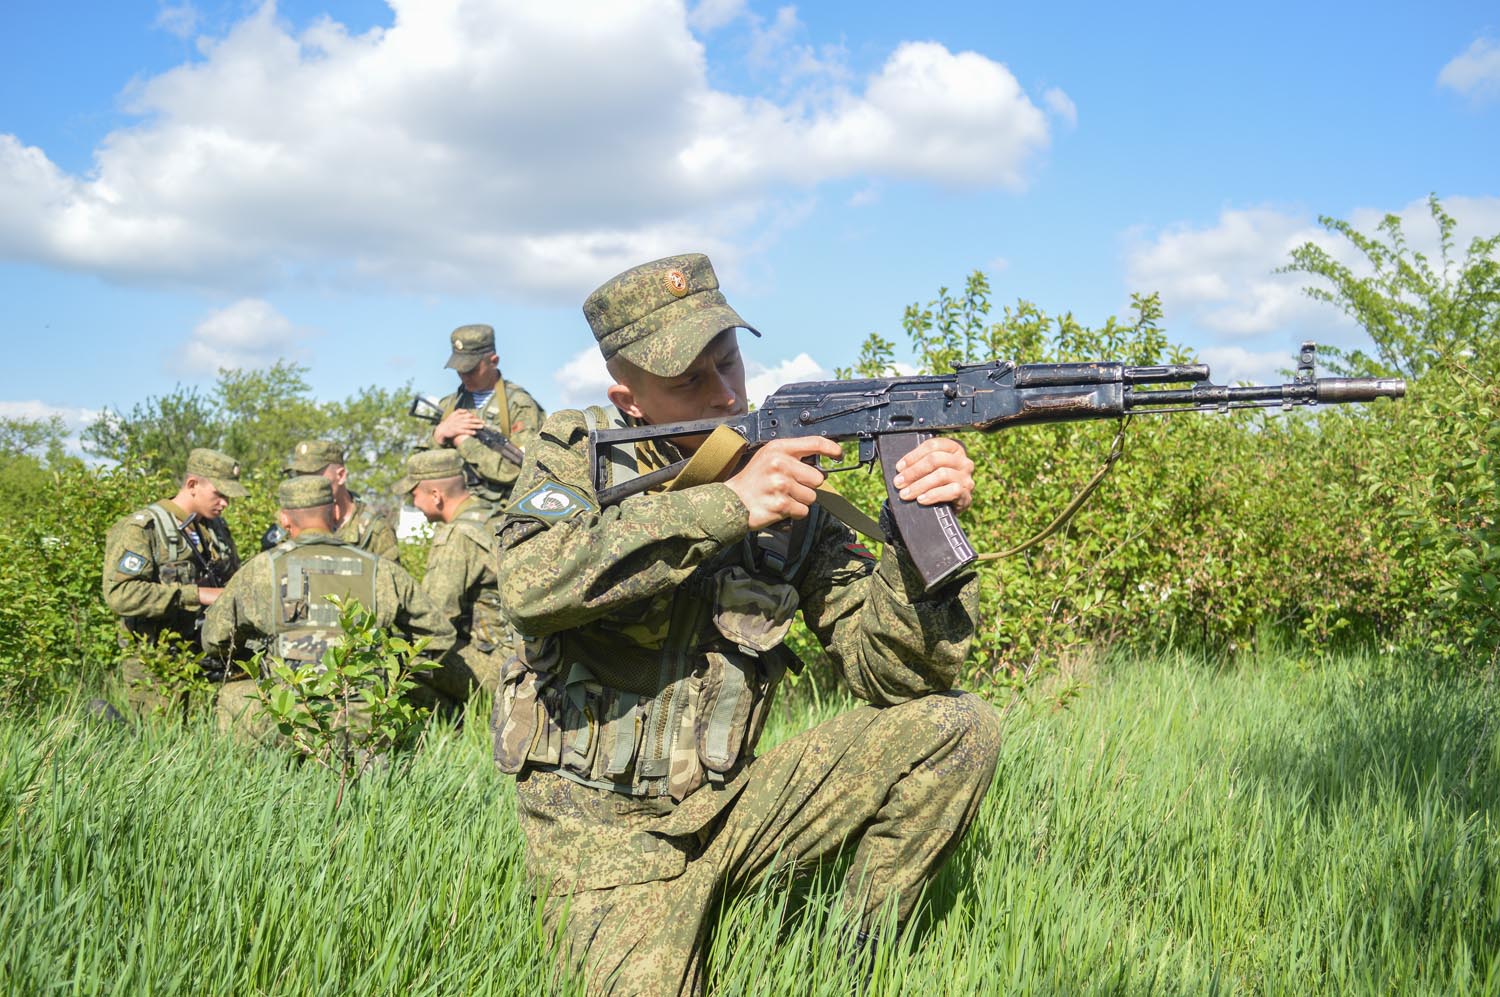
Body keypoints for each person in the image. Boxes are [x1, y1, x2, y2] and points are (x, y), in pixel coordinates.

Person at [491, 253, 1001, 994]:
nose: (727, 393)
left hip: (733, 810)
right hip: (602, 843)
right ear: (627, 398)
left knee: (959, 727)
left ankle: (853, 967)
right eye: (691, 379)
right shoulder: (577, 456)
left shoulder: (793, 496)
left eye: (729, 361)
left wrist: (918, 528)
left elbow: (896, 677)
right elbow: (531, 584)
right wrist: (726, 505)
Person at [202, 475, 455, 735]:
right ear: (335, 512)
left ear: (284, 519)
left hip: (288, 718)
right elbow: (439, 635)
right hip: (363, 722)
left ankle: (257, 771)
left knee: (232, 696)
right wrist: (390, 672)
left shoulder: (260, 569)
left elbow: (214, 639)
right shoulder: (381, 571)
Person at [102, 447, 245, 715]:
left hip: (207, 655)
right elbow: (120, 594)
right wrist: (197, 594)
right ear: (192, 485)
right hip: (157, 662)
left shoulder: (216, 530)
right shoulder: (143, 528)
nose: (225, 503)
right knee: (161, 742)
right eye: (219, 494)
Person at [395, 449, 505, 701]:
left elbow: (435, 621)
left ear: (436, 495)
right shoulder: (495, 516)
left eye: (414, 494)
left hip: (498, 668)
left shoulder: (457, 536)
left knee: (399, 660)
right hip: (527, 659)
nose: (413, 503)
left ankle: (452, 725)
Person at [428, 323, 545, 506]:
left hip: (501, 513)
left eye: (471, 369)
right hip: (455, 516)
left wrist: (463, 441)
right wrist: (439, 436)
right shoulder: (448, 406)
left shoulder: (519, 406)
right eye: (459, 368)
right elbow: (421, 473)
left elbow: (522, 471)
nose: (464, 375)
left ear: (494, 360)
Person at [283, 439, 400, 562]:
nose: (304, 486)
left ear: (341, 475)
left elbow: (390, 578)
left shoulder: (375, 531)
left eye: (315, 477)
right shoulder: (288, 522)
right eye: (299, 477)